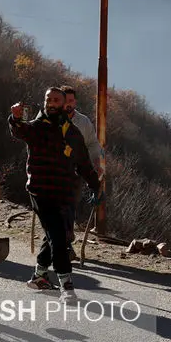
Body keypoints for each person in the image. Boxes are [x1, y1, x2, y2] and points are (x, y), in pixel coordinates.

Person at [9, 86, 103, 302]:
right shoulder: (36, 127)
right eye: (48, 99)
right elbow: (19, 130)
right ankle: (66, 286)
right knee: (59, 237)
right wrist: (15, 118)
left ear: (63, 104)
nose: (51, 103)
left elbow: (83, 163)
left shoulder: (73, 132)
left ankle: (39, 276)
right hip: (40, 191)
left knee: (57, 234)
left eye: (56, 100)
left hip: (64, 191)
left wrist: (95, 186)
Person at [60, 85, 104, 252]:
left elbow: (92, 144)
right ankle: (57, 243)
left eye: (71, 100)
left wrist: (97, 163)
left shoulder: (83, 121)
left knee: (70, 206)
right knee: (56, 207)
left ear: (75, 102)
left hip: (76, 171)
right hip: (54, 170)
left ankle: (66, 244)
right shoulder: (51, 118)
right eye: (65, 101)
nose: (68, 104)